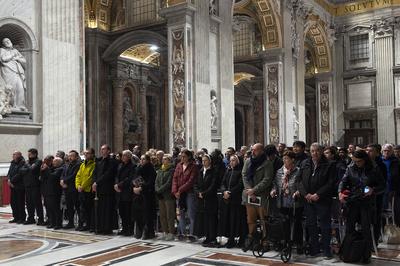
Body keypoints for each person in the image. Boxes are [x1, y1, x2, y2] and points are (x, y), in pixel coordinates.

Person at [339, 150, 385, 264]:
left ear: (365, 160)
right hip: (353, 201)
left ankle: (366, 255)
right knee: (349, 228)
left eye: (359, 161)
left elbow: (383, 185)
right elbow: (343, 182)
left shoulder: (373, 169)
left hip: (367, 202)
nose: (356, 163)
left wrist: (372, 190)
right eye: (354, 161)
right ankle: (350, 253)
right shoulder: (350, 168)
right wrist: (340, 192)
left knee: (366, 229)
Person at [298, 143, 336, 259]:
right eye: (313, 151)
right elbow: (299, 181)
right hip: (308, 200)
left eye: (317, 151)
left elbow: (331, 183)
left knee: (325, 225)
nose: (315, 153)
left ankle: (326, 249)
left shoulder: (329, 164)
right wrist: (306, 194)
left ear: (322, 151)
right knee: (311, 224)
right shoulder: (305, 163)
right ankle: (314, 248)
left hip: (323, 199)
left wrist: (318, 194)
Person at [242, 143, 274, 252]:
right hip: (249, 195)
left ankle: (265, 242)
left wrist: (254, 190)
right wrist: (249, 190)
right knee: (251, 220)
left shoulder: (267, 163)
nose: (252, 152)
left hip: (261, 195)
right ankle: (254, 240)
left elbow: (267, 179)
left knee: (263, 220)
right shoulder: (248, 161)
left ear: (261, 151)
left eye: (255, 150)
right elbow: (244, 175)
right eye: (252, 150)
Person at [270, 151, 304, 254]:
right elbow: (275, 184)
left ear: (292, 159)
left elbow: (302, 184)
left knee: (297, 223)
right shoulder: (279, 171)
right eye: (283, 158)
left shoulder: (298, 171)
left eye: (287, 159)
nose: (284, 160)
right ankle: (286, 244)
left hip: (295, 201)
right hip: (283, 201)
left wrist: (298, 191)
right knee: (285, 223)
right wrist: (274, 190)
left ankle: (299, 244)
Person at [220, 154, 246, 248]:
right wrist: (224, 191)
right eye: (230, 160)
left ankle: (235, 239)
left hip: (236, 199)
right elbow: (222, 183)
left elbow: (240, 185)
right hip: (226, 200)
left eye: (234, 160)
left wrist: (229, 192)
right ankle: (229, 239)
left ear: (238, 161)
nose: (232, 162)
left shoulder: (240, 171)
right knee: (227, 220)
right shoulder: (228, 171)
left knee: (234, 220)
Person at [172, 149, 199, 241]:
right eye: (181, 156)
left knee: (191, 214)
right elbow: (175, 179)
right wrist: (175, 191)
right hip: (179, 194)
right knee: (181, 214)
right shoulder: (178, 166)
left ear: (189, 157)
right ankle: (182, 233)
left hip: (189, 193)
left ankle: (192, 234)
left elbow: (191, 181)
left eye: (184, 156)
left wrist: (180, 190)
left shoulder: (193, 166)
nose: (182, 158)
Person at [92, 144, 119, 234]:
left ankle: (107, 228)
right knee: (100, 209)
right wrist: (94, 182)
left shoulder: (112, 162)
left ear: (108, 151)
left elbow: (108, 174)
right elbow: (95, 173)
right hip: (99, 189)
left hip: (107, 188)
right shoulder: (98, 161)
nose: (102, 151)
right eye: (101, 149)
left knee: (107, 209)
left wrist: (97, 182)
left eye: (104, 149)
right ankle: (99, 227)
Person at [194, 154, 219, 247]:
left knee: (212, 219)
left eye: (205, 160)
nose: (203, 162)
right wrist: (198, 193)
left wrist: (203, 193)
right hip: (201, 199)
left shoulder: (214, 171)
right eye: (202, 160)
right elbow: (195, 184)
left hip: (210, 198)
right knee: (205, 219)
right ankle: (207, 236)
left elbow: (213, 185)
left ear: (210, 161)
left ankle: (213, 237)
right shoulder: (200, 171)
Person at [366, 144, 387, 244]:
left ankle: (375, 239)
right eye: (367, 150)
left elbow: (383, 183)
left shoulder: (380, 165)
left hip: (377, 196)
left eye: (370, 151)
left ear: (377, 153)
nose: (368, 152)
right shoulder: (365, 163)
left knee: (376, 219)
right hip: (365, 196)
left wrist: (373, 190)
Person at [0, 38, 27, 111]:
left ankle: (20, 106)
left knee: (20, 88)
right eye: (5, 42)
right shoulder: (2, 50)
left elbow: (24, 61)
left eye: (8, 40)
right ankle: (10, 106)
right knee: (11, 89)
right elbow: (3, 58)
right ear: (3, 44)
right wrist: (12, 55)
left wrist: (18, 59)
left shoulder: (15, 51)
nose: (7, 42)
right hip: (8, 71)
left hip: (17, 72)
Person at [134, 154, 157, 239]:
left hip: (148, 195)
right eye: (141, 159)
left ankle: (148, 232)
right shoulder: (138, 169)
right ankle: (139, 231)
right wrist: (135, 187)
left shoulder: (151, 169)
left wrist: (141, 188)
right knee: (139, 213)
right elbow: (135, 178)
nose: (142, 161)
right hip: (139, 195)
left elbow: (151, 182)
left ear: (148, 160)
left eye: (144, 159)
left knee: (147, 214)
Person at [114, 150, 136, 236]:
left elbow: (129, 179)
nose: (122, 157)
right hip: (119, 192)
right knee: (122, 212)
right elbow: (116, 176)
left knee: (128, 212)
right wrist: (116, 184)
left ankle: (129, 229)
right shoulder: (120, 165)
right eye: (122, 156)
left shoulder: (132, 166)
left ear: (129, 157)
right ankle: (124, 228)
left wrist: (119, 185)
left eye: (124, 156)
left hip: (127, 192)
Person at [155, 154, 175, 241]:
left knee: (169, 215)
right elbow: (156, 181)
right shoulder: (160, 170)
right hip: (160, 195)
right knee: (162, 215)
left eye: (165, 159)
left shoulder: (171, 170)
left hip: (168, 195)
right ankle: (165, 231)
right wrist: (157, 189)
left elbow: (169, 182)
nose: (163, 161)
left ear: (169, 161)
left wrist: (160, 190)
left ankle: (171, 233)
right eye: (163, 159)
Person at [75, 148, 96, 231]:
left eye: (88, 153)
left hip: (88, 190)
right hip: (81, 190)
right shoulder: (82, 164)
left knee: (89, 209)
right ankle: (85, 224)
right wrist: (78, 186)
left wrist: (82, 186)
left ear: (92, 154)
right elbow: (78, 176)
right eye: (85, 153)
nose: (86, 155)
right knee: (82, 209)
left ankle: (90, 225)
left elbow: (90, 178)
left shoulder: (94, 164)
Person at [60, 150, 81, 229]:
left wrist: (64, 181)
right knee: (69, 207)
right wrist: (62, 181)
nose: (70, 157)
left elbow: (74, 175)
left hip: (74, 188)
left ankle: (80, 223)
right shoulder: (66, 165)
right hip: (66, 189)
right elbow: (63, 174)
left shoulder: (78, 165)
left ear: (76, 157)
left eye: (72, 156)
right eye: (69, 156)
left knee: (77, 207)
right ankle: (70, 222)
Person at [41, 157, 64, 229]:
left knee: (56, 208)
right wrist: (43, 170)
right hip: (48, 191)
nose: (53, 163)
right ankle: (52, 222)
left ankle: (58, 224)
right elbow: (44, 177)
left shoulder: (60, 169)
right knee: (49, 208)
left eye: (54, 161)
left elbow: (52, 177)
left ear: (59, 163)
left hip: (55, 191)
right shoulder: (52, 168)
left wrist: (47, 169)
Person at [23, 148, 44, 225]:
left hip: (35, 185)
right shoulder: (27, 162)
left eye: (30, 154)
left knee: (37, 203)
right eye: (28, 154)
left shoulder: (38, 161)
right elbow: (21, 170)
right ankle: (31, 218)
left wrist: (27, 164)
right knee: (29, 203)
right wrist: (28, 166)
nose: (28, 156)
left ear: (35, 154)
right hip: (28, 185)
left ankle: (40, 218)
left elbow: (32, 169)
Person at [382, 144, 400, 225]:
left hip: (394, 189)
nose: (386, 152)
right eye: (385, 151)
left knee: (395, 209)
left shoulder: (396, 161)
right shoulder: (379, 161)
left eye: (388, 151)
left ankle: (396, 226)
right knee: (384, 210)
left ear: (392, 152)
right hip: (382, 189)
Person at [7, 151, 26, 223]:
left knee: (20, 202)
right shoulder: (12, 162)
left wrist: (11, 181)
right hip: (12, 186)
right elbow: (9, 172)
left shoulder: (23, 163)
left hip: (19, 185)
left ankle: (21, 218)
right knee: (13, 202)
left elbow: (20, 174)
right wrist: (9, 179)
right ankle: (16, 217)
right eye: (13, 154)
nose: (13, 155)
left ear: (19, 155)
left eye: (14, 154)